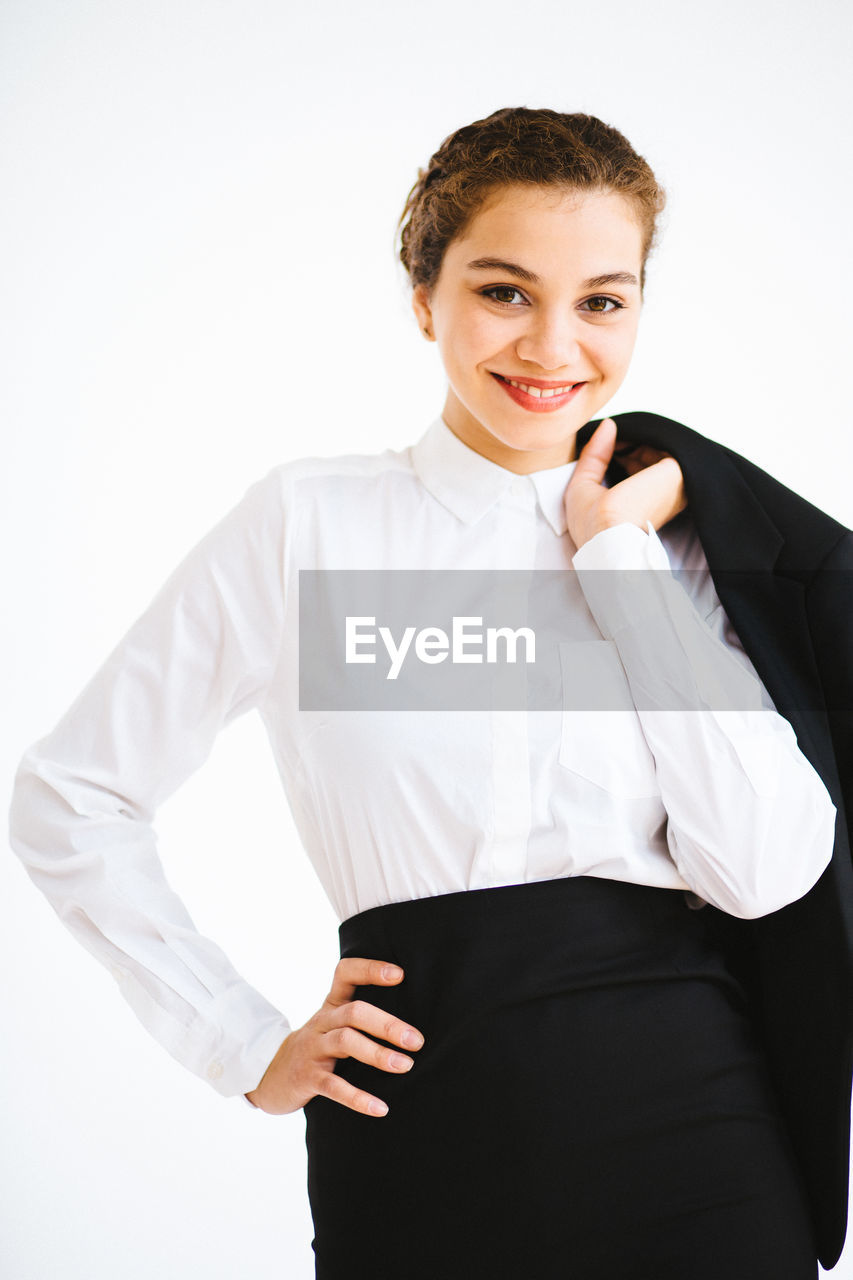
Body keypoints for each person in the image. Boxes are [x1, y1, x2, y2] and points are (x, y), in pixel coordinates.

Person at [8, 107, 845, 1278]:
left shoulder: (683, 541)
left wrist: (617, 563)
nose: (554, 346)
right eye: (504, 291)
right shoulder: (310, 524)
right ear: (423, 296)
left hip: (696, 1128)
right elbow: (72, 794)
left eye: (601, 299)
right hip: (417, 1129)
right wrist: (240, 1039)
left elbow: (764, 868)